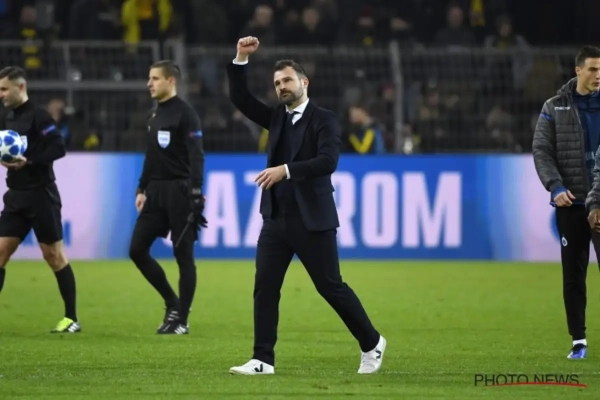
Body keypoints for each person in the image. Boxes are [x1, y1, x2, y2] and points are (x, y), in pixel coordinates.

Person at [226, 37, 386, 375]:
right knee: (265, 287)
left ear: (304, 82)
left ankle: (372, 342)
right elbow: (240, 99)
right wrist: (240, 58)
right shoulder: (277, 118)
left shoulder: (324, 120)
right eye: (277, 83)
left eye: (287, 80)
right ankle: (262, 359)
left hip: (312, 220)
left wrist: (284, 170)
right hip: (275, 218)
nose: (282, 87)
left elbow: (328, 161)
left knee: (330, 287)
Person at [130, 60, 207, 335]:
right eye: (149, 78)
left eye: (155, 78)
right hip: (155, 193)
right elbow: (152, 156)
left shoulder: (186, 114)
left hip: (180, 192)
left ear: (170, 81)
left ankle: (181, 320)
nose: (149, 83)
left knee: (183, 255)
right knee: (137, 250)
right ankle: (172, 302)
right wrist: (141, 188)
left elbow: (197, 155)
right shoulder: (153, 115)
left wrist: (196, 191)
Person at [0, 66, 79, 333]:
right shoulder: (7, 117)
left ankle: (71, 318)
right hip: (15, 196)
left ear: (20, 87)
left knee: (53, 255)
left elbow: (58, 148)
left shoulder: (39, 116)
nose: (1, 94)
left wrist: (30, 161)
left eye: (4, 89)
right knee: (0, 253)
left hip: (41, 195)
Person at [533, 45, 600, 359]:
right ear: (578, 70)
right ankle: (578, 341)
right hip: (570, 204)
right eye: (593, 69)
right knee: (573, 275)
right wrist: (555, 186)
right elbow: (542, 150)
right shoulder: (554, 106)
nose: (598, 75)